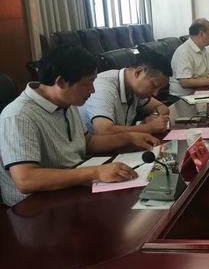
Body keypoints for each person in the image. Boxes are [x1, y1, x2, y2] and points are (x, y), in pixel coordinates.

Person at [0, 45, 159, 206]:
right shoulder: (19, 116)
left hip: (71, 186)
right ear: (61, 82)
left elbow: (87, 142)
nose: (92, 90)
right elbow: (25, 180)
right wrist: (95, 172)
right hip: (34, 204)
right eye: (88, 83)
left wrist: (129, 138)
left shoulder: (66, 101)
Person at [80, 51, 172, 135]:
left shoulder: (134, 87)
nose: (155, 93)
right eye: (154, 85)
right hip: (92, 147)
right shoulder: (104, 87)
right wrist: (149, 127)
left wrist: (154, 116)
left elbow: (162, 107)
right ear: (139, 72)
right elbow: (103, 131)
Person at [169, 18, 209, 97]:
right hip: (183, 96)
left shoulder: (205, 49)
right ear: (201, 34)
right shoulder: (184, 51)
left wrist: (202, 79)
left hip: (201, 91)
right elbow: (185, 82)